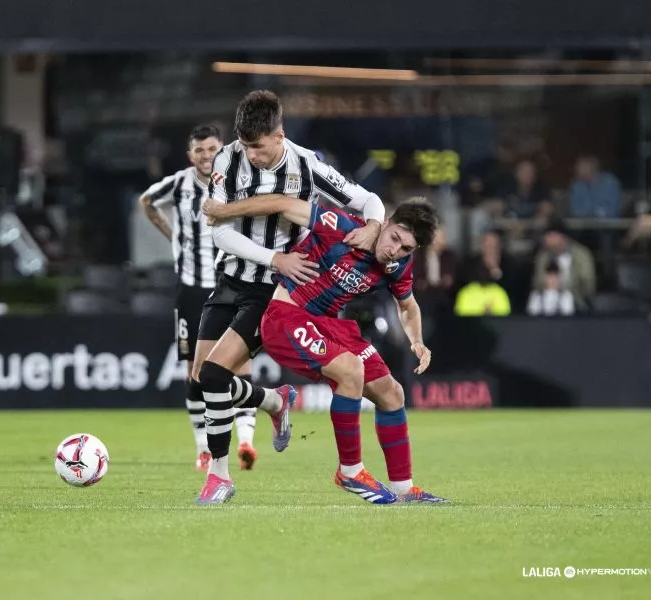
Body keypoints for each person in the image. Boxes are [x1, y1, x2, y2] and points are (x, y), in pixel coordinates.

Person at [193, 90, 391, 505]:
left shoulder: (307, 165)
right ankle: (273, 400)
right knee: (201, 381)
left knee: (213, 377)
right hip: (232, 278)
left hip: (276, 290)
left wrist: (372, 229)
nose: (254, 156)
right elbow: (220, 232)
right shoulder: (228, 160)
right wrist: (274, 256)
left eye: (260, 148)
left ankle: (219, 478)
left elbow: (369, 200)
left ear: (279, 135)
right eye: (247, 146)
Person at [203, 194, 446, 504]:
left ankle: (403, 489)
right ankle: (350, 471)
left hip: (327, 324)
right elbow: (282, 203)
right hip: (286, 315)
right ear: (385, 224)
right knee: (351, 370)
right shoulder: (341, 227)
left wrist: (417, 341)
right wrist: (224, 211)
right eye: (395, 238)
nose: (393, 250)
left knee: (392, 393)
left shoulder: (397, 265)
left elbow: (407, 306)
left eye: (406, 248)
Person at [139, 125, 261, 471]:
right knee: (195, 371)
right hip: (193, 289)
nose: (206, 155)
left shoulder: (240, 180)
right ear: (189, 154)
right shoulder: (178, 184)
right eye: (199, 150)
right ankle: (203, 448)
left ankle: (247, 440)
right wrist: (174, 235)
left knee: (240, 363)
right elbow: (146, 202)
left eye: (211, 148)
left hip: (234, 284)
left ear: (222, 148)